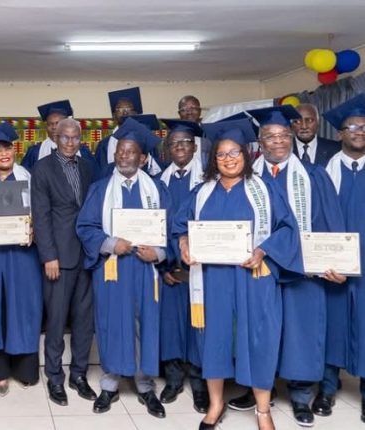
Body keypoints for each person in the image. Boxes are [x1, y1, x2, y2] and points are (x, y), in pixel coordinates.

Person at [173, 118, 304, 430]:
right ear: (213, 160)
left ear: (245, 155)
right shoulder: (202, 192)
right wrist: (184, 243)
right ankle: (215, 404)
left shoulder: (264, 190)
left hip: (254, 279)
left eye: (234, 153)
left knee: (260, 339)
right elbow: (179, 226)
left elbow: (288, 228)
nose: (228, 159)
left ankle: (263, 410)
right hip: (214, 280)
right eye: (221, 154)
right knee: (213, 340)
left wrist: (263, 250)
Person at [234, 105, 347, 427]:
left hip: (303, 269)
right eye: (271, 137)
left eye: (284, 135)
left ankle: (300, 396)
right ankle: (260, 390)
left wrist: (337, 261)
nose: (279, 141)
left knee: (302, 330)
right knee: (260, 330)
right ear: (260, 142)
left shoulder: (313, 175)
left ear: (292, 137)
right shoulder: (248, 177)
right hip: (262, 269)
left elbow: (331, 222)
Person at [76, 118, 169, 418]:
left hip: (145, 271)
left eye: (131, 152)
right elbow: (85, 227)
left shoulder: (157, 189)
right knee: (112, 323)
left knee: (146, 324)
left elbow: (172, 230)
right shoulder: (100, 189)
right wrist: (109, 243)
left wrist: (158, 252)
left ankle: (145, 386)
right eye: (120, 151)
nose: (124, 156)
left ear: (142, 158)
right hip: (112, 269)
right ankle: (110, 384)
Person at [0, 123, 43, 396]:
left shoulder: (30, 178)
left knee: (22, 307)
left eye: (7, 148)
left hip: (22, 253)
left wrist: (34, 229)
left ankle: (24, 369)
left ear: (15, 150)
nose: (3, 154)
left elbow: (41, 213)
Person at [31, 118, 96, 407]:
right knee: (56, 321)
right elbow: (41, 215)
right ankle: (55, 377)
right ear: (56, 138)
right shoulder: (42, 168)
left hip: (87, 256)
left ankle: (78, 374)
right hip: (59, 256)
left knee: (84, 320)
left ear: (81, 139)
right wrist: (49, 256)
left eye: (75, 138)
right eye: (65, 137)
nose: (70, 142)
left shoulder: (87, 167)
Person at [156, 119, 209, 413]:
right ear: (167, 149)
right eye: (174, 143)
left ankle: (200, 384)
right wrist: (165, 267)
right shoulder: (158, 182)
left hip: (199, 269)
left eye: (185, 142)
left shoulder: (208, 181)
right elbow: (154, 229)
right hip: (169, 270)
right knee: (171, 326)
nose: (179, 147)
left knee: (199, 326)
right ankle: (174, 380)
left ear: (194, 147)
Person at [322, 93, 365, 422]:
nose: (359, 132)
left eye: (364, 127)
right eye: (352, 127)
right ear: (340, 133)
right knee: (332, 325)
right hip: (334, 266)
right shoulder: (325, 172)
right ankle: (327, 389)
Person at [94, 87, 162, 176]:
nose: (125, 113)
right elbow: (99, 172)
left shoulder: (146, 141)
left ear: (135, 114)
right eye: (120, 109)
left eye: (129, 109)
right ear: (114, 115)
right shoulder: (104, 145)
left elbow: (155, 170)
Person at [21, 100, 96, 172]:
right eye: (50, 124)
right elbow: (24, 176)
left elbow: (93, 175)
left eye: (58, 123)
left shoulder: (82, 151)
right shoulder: (35, 152)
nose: (54, 127)